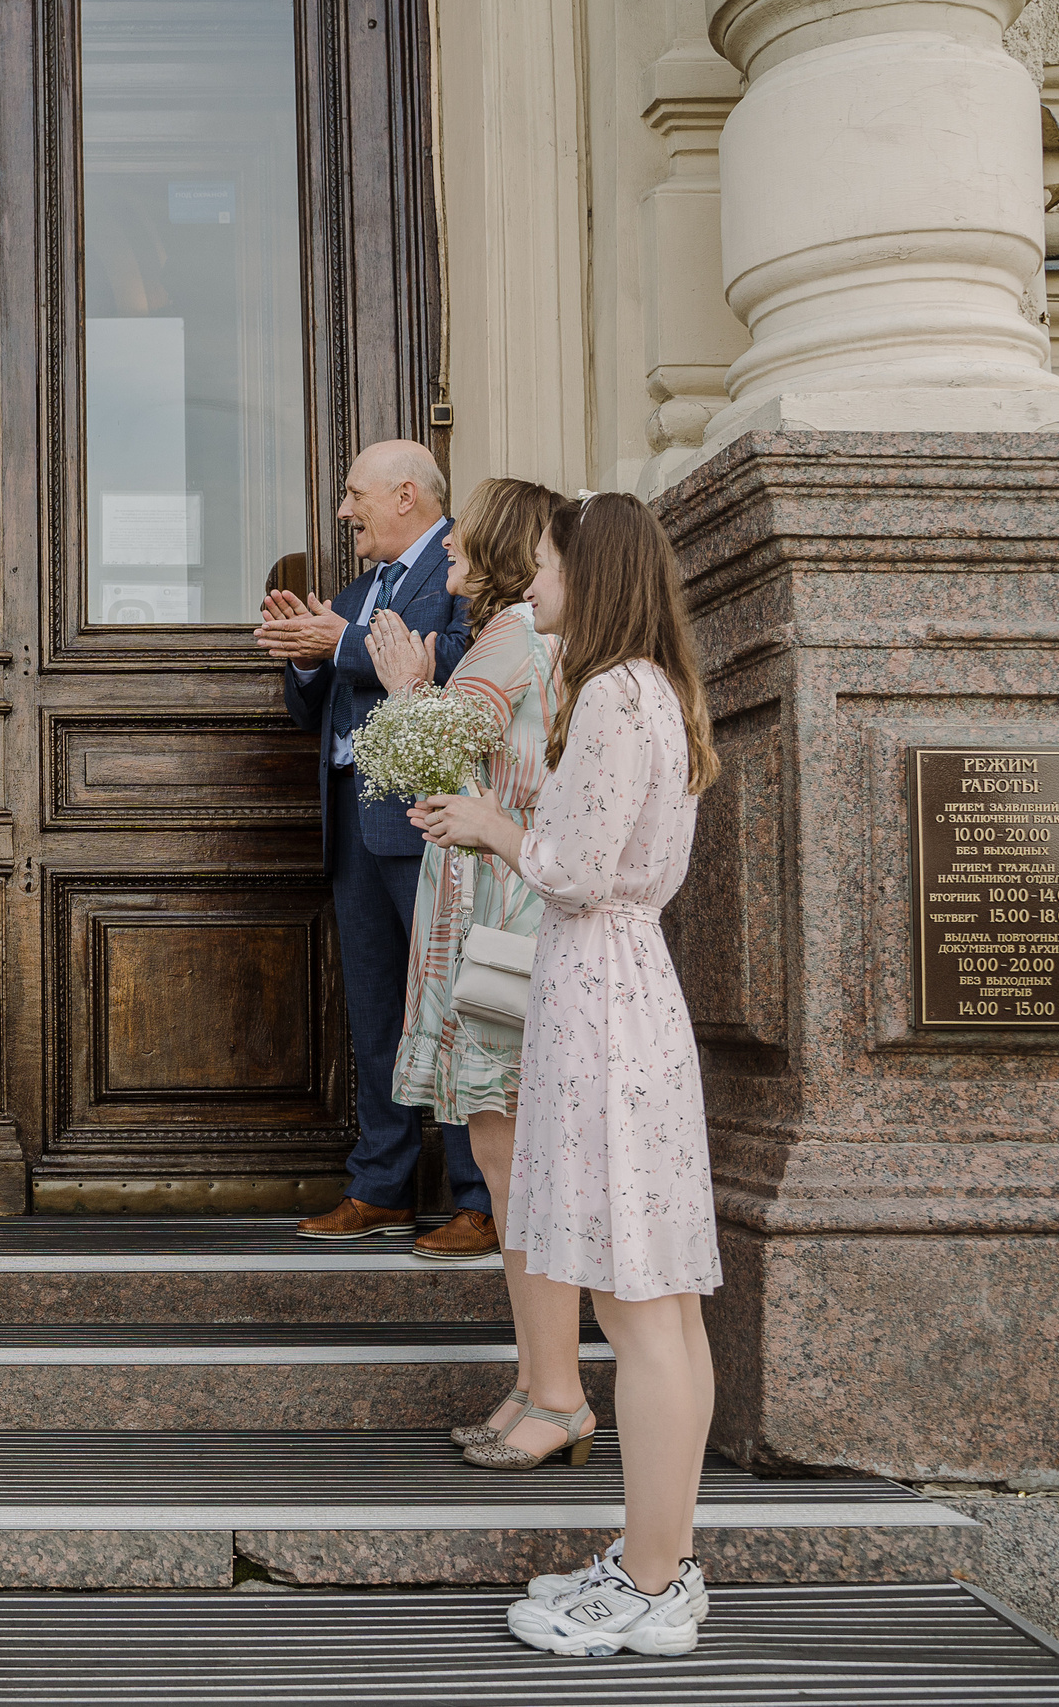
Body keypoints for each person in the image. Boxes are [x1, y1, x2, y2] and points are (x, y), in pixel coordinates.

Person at [416, 490, 723, 1659]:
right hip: (634, 987)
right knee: (663, 1310)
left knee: (634, 1311)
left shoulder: (606, 691)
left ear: (590, 573)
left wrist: (496, 825)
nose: (531, 582)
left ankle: (650, 1585)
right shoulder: (663, 689)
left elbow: (576, 870)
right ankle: (665, 1564)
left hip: (596, 995)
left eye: (545, 565)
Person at [361, 479, 581, 1464]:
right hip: (504, 905)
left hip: (498, 918)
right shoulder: (534, 638)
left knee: (513, 1168)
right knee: (507, 1165)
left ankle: (558, 1395)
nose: (443, 567)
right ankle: (540, 1385)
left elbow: (429, 754)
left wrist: (407, 685)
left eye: (456, 555)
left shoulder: (503, 637)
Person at [259, 439, 493, 1253]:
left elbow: (466, 664)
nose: (343, 511)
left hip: (431, 824)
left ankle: (480, 1197)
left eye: (354, 494)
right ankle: (381, 1186)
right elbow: (311, 709)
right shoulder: (359, 589)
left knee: (458, 1010)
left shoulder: (469, 563)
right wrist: (303, 656)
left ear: (405, 495)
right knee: (376, 1016)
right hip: (354, 830)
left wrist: (342, 644)